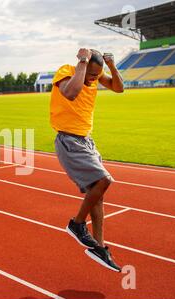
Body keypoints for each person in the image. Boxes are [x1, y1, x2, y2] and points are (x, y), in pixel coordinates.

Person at [50, 48, 124, 272]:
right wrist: (82, 62)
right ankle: (77, 223)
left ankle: (99, 247)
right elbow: (71, 93)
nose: (93, 79)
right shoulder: (67, 71)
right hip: (69, 140)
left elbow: (119, 88)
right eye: (92, 74)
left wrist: (111, 66)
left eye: (96, 75)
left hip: (86, 141)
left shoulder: (96, 73)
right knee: (104, 180)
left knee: (97, 194)